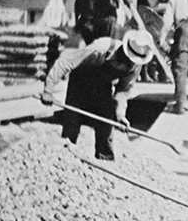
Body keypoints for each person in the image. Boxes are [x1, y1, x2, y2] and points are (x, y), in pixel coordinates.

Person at [39, 30, 155, 161]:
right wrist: (48, 89)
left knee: (106, 123)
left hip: (102, 87)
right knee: (72, 122)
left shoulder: (135, 65)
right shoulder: (102, 48)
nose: (129, 62)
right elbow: (66, 62)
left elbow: (123, 90)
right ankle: (66, 158)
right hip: (80, 83)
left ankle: (104, 160)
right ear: (124, 48)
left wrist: (120, 114)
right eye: (128, 57)